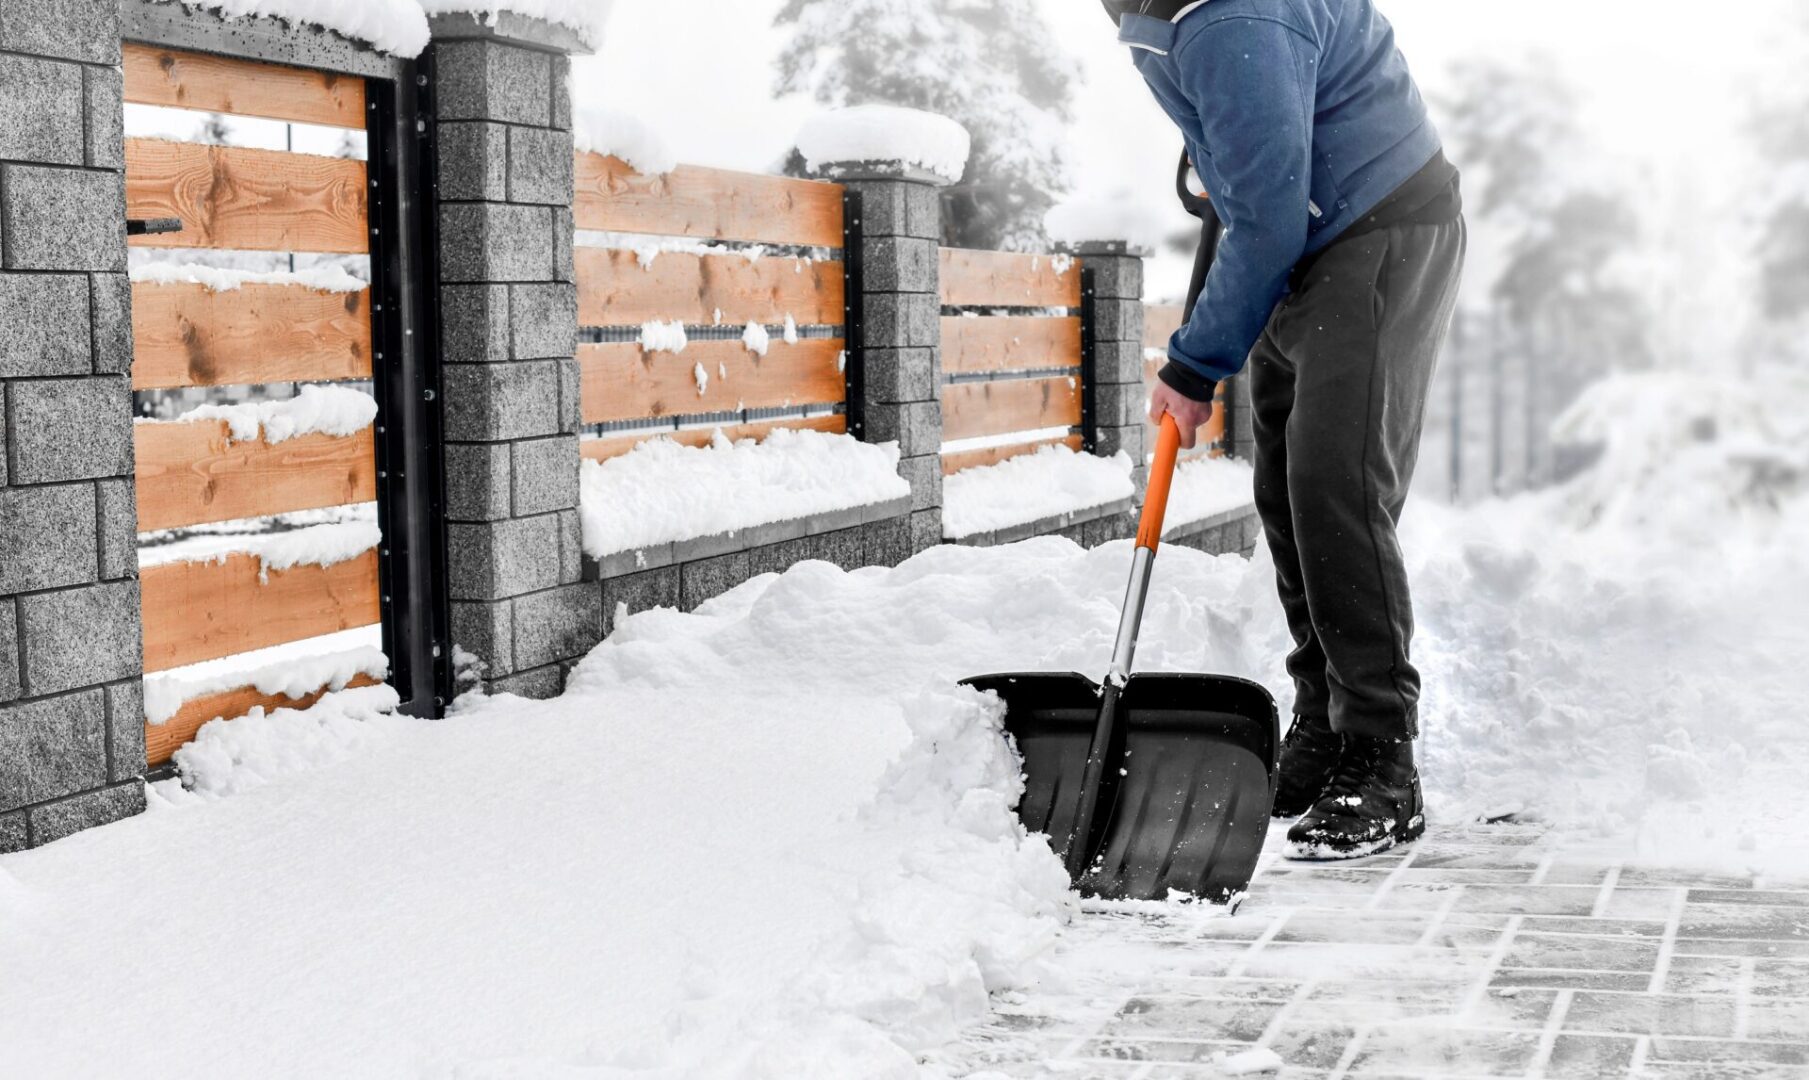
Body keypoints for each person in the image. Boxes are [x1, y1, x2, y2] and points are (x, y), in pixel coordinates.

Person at [1105, 0, 1466, 859]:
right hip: (1304, 234)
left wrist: (1195, 366)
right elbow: (1239, 196)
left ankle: (1382, 756)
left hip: (1375, 231)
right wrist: (1201, 340)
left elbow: (1264, 210)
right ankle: (1326, 722)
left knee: (1333, 487)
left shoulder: (1237, 20)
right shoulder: (1158, 14)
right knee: (1283, 494)